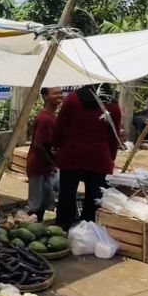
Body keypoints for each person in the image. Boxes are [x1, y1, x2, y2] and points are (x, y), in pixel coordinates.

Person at [52, 85, 122, 230]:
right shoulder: (113, 107)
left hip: (72, 154)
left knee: (67, 193)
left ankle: (63, 227)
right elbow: (113, 137)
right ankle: (88, 229)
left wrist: (56, 144)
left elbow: (60, 125)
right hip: (98, 157)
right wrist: (111, 157)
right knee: (93, 196)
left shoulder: (73, 99)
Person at [26, 86, 63, 221]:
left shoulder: (51, 117)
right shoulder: (45, 119)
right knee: (36, 205)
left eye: (60, 92)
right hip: (39, 167)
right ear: (45, 97)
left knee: (44, 203)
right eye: (55, 93)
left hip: (45, 168)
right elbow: (39, 144)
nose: (59, 95)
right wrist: (52, 163)